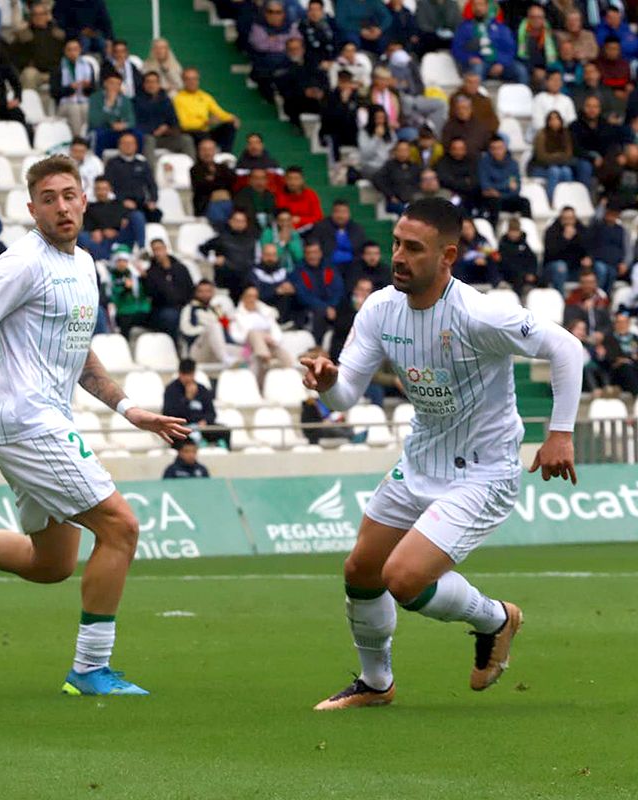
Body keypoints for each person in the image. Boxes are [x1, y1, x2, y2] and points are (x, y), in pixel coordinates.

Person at [0, 154, 189, 697]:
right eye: (49, 199)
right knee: (122, 528)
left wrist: (129, 408)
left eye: (70, 195)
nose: (62, 206)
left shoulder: (85, 265)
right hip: (28, 423)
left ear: (84, 199)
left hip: (39, 423)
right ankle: (90, 669)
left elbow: (81, 356)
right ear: (32, 208)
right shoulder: (22, 260)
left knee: (51, 564)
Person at [302, 197, 581, 710]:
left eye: (413, 248)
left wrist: (560, 433)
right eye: (396, 245)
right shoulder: (381, 308)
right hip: (421, 460)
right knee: (361, 570)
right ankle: (376, 683)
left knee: (403, 578)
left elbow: (566, 349)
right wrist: (328, 383)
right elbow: (345, 397)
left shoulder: (481, 313)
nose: (398, 257)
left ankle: (496, 619)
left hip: (483, 472)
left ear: (447, 255)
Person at [232, 284, 295, 373]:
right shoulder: (237, 316)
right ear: (243, 297)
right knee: (254, 334)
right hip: (248, 347)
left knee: (285, 357)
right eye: (249, 296)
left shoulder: (265, 312)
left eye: (255, 296)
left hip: (269, 344)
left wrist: (271, 340)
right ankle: (267, 359)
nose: (252, 299)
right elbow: (236, 336)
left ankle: (292, 376)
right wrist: (260, 337)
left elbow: (276, 330)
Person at [174, 67, 238, 153]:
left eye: (194, 79)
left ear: (198, 80)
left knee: (230, 125)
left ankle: (225, 155)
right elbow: (183, 124)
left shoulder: (205, 96)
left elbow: (219, 113)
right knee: (198, 134)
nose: (192, 82)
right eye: (188, 79)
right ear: (183, 81)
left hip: (205, 132)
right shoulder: (178, 99)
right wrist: (205, 122)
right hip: (190, 133)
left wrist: (232, 118)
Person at [180, 279, 240, 367]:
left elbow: (226, 332)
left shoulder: (217, 310)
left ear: (213, 293)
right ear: (196, 293)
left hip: (218, 349)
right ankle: (225, 359)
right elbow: (186, 332)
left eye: (208, 291)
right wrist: (206, 331)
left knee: (246, 351)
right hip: (198, 350)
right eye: (201, 292)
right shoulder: (189, 309)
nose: (205, 294)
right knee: (213, 327)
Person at [52, 38, 96, 138]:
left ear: (80, 50)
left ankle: (89, 138)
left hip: (84, 101)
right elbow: (54, 92)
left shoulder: (88, 66)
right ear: (65, 51)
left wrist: (87, 87)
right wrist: (70, 88)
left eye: (75, 49)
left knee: (87, 108)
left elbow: (93, 91)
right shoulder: (58, 67)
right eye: (69, 49)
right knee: (74, 108)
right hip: (64, 104)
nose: (73, 52)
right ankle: (78, 140)